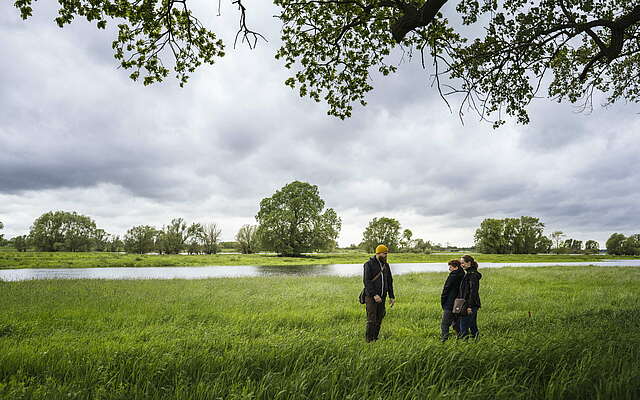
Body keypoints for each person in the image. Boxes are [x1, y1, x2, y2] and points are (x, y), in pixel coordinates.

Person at [363, 244, 395, 342]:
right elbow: (366, 281)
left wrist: (391, 296)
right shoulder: (368, 264)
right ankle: (369, 340)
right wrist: (374, 295)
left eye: (386, 254)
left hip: (383, 297)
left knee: (379, 318)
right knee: (372, 319)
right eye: (384, 254)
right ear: (378, 253)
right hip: (371, 297)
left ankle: (375, 338)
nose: (386, 256)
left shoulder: (386, 265)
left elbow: (389, 281)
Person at [458, 254, 482, 340]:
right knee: (472, 325)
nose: (462, 265)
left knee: (463, 325)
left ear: (469, 263)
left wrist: (469, 306)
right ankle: (477, 341)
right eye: (461, 263)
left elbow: (473, 292)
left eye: (463, 263)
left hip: (470, 304)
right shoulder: (469, 273)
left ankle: (464, 345)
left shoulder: (472, 275)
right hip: (469, 304)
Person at [440, 259, 464, 342]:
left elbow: (446, 289)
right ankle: (461, 338)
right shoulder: (463, 275)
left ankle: (444, 340)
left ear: (456, 267)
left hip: (450, 303)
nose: (449, 269)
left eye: (450, 267)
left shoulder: (453, 276)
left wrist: (443, 301)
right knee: (456, 322)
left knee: (445, 324)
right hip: (460, 303)